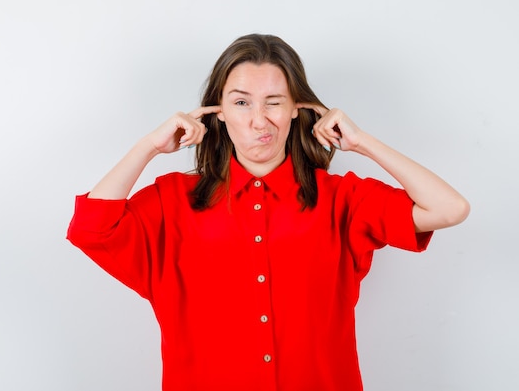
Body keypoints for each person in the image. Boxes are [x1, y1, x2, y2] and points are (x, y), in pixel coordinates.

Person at [66, 34, 469, 391]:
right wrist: (149, 146)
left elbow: (450, 208)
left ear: (297, 108)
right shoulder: (173, 200)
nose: (259, 120)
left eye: (274, 102)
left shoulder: (342, 199)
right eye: (241, 102)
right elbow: (90, 230)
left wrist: (363, 143)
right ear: (217, 112)